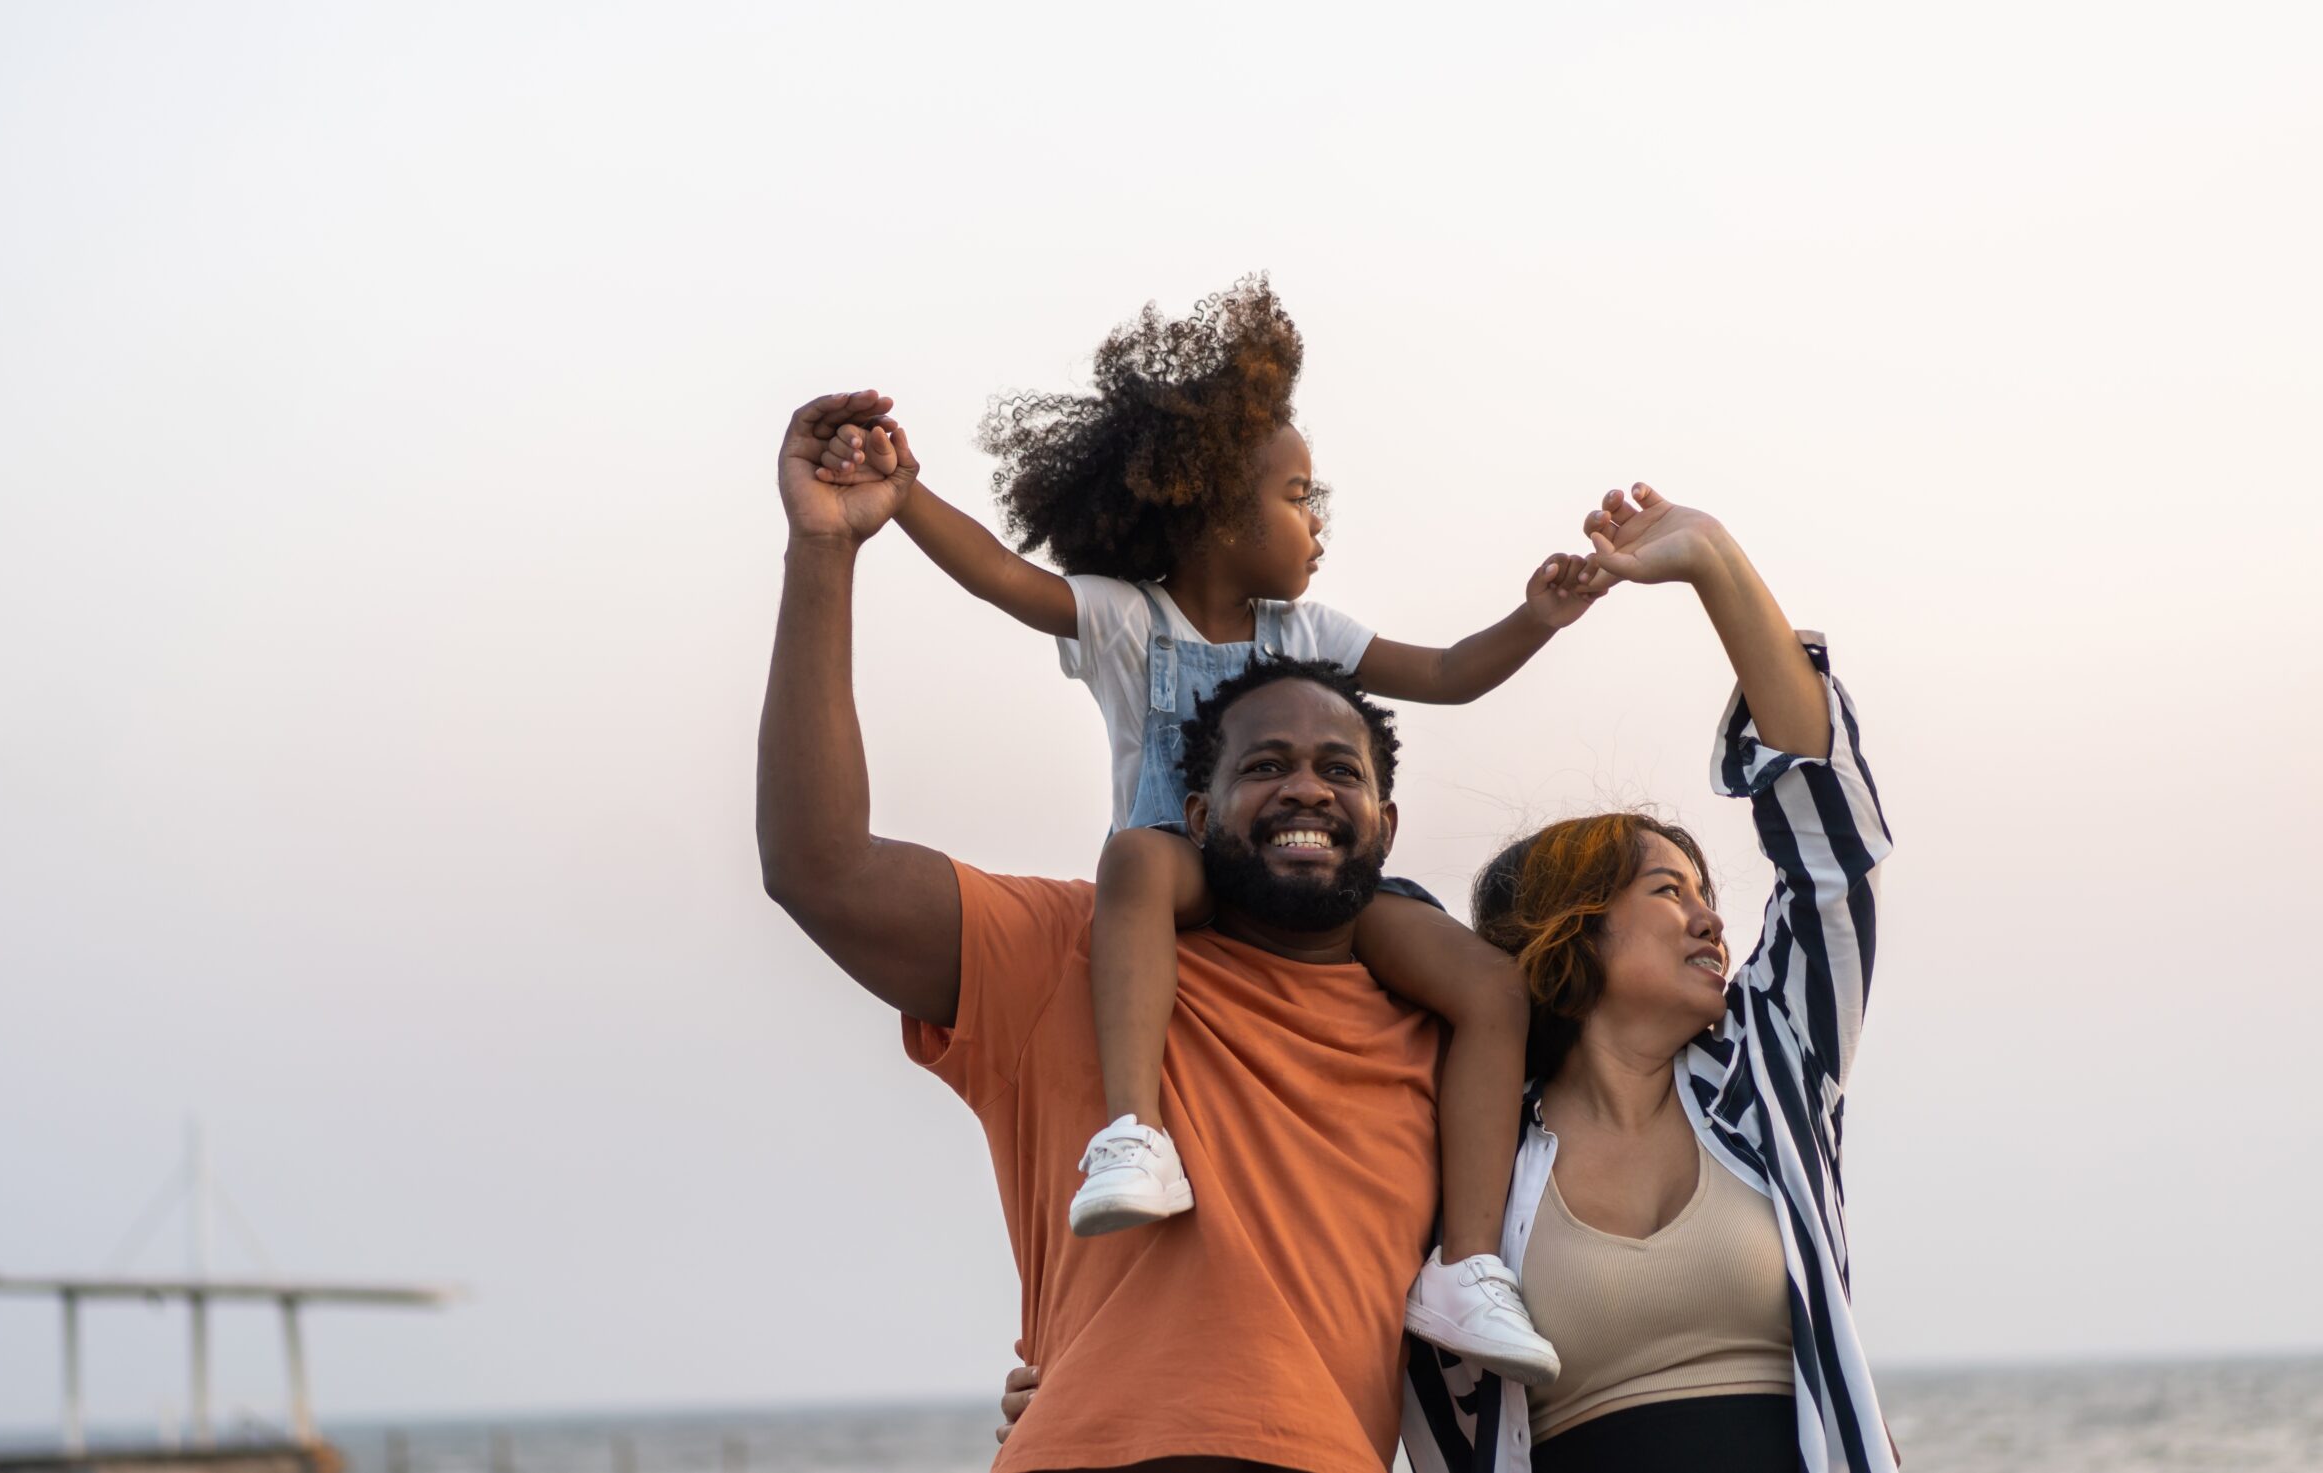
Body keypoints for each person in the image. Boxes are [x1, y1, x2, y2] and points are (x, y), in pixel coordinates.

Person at [1004, 487, 1899, 1473]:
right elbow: (1286, 1259)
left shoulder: (1771, 1072)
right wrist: (1082, 1369)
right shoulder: (1461, 1135)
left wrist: (1715, 563)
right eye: (1665, 888)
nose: (1708, 917)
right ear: (1576, 925)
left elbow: (1829, 855)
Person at [806, 278, 1592, 1380]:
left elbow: (1449, 675)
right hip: (1185, 866)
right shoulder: (1130, 621)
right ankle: (1133, 1134)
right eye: (1298, 496)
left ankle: (1465, 1266)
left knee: (1486, 988)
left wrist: (1538, 617)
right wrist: (904, 493)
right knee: (1133, 858)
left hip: (1313, 885)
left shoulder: (1308, 628)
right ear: (1219, 508)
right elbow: (998, 575)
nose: (1318, 524)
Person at [762, 390, 1451, 1473]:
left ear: (1389, 822)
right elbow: (820, 867)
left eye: (1339, 768)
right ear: (1192, 808)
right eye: (1261, 766)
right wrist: (824, 551)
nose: (1304, 792)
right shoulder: (1065, 955)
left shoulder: (1440, 1017)